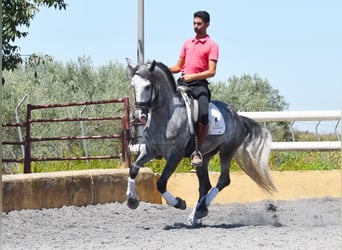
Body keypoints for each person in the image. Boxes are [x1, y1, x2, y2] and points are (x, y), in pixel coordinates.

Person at [169, 10, 219, 166]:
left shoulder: (212, 45)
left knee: (203, 114)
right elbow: (178, 66)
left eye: (199, 24)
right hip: (183, 84)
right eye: (194, 23)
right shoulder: (187, 43)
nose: (196, 26)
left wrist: (192, 76)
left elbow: (212, 71)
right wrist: (162, 68)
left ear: (207, 24)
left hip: (200, 86)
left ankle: (197, 150)